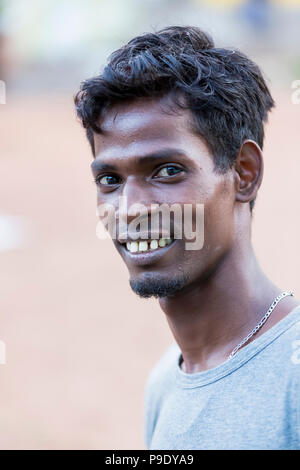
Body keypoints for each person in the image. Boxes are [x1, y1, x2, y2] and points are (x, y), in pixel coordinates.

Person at [74, 26, 300, 450]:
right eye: (109, 179)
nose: (130, 208)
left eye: (167, 171)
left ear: (244, 173)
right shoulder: (165, 383)